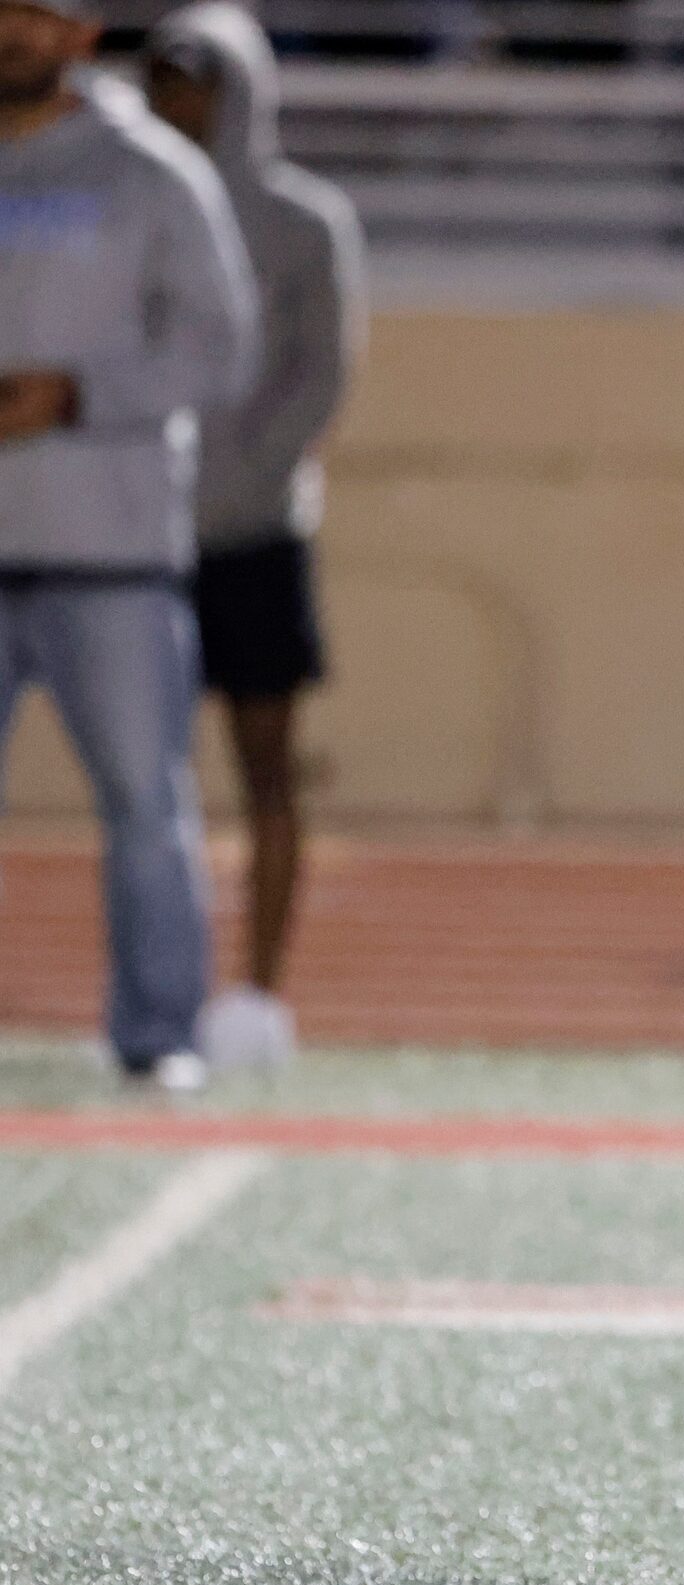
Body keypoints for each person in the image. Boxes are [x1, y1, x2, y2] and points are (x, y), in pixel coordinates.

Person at [0, 0, 256, 1091]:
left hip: (109, 551)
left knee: (147, 808)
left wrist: (77, 394)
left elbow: (219, 351)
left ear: (77, 31)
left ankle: (159, 1036)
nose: (8, 31)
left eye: (32, 14)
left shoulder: (152, 173)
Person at [145, 1, 365, 1073]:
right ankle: (160, 994)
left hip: (255, 533)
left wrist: (235, 476)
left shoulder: (303, 220)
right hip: (139, 535)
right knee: (149, 777)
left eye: (198, 79)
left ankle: (261, 992)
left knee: (267, 770)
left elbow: (321, 371)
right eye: (163, 78)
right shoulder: (131, 207)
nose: (178, 100)